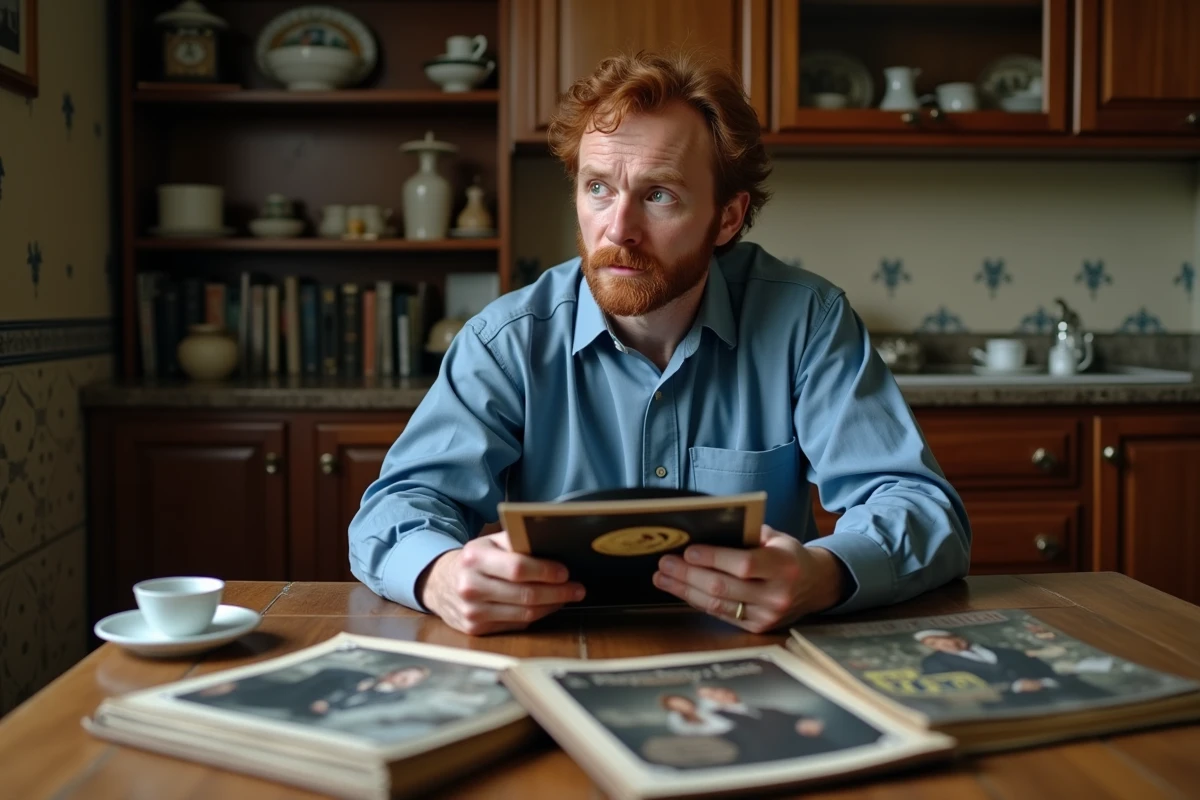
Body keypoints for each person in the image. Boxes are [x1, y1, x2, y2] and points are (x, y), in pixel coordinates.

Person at [348, 50, 971, 635]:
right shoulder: (506, 341)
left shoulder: (806, 321)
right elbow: (401, 505)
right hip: (556, 651)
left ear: (727, 216)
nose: (618, 229)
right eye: (598, 188)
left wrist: (826, 575)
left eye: (659, 195)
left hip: (756, 660)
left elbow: (918, 505)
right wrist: (439, 576)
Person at [914, 630, 1111, 704]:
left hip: (1051, 691)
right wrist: (1014, 687)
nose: (944, 645)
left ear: (958, 636)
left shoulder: (1006, 651)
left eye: (945, 638)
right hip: (1003, 705)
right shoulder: (934, 663)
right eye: (934, 643)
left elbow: (1044, 670)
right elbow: (951, 690)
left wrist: (1049, 680)